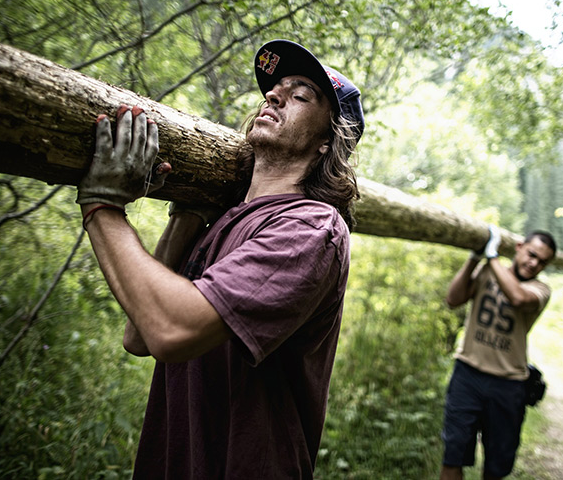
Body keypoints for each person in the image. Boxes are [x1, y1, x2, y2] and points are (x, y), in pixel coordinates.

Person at [75, 39, 364, 479]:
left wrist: (102, 206)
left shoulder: (310, 229)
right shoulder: (228, 219)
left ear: (328, 141)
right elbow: (139, 335)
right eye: (275, 88)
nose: (274, 95)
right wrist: (190, 214)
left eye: (302, 94)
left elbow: (171, 328)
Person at [441, 226, 557, 480]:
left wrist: (491, 256)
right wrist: (474, 258)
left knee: (496, 467)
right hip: (467, 374)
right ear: (519, 248)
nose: (534, 263)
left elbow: (517, 297)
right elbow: (453, 299)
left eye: (542, 261)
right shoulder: (489, 269)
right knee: (453, 455)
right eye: (531, 254)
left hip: (509, 384)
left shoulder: (541, 290)